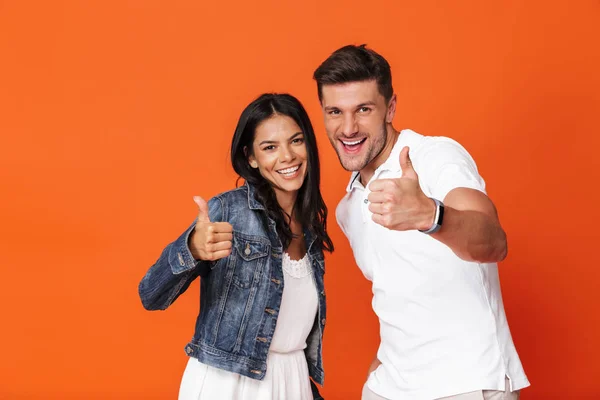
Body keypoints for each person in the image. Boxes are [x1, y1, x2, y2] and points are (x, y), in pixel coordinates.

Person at [312, 45, 530, 400]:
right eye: (335, 111)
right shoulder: (348, 208)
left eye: (363, 110)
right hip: (390, 389)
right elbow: (399, 295)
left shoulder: (434, 156)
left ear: (390, 108)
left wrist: (432, 215)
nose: (348, 128)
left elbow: (494, 242)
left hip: (466, 383)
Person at [138, 93, 333, 400]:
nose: (287, 157)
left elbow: (292, 332)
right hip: (228, 385)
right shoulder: (228, 212)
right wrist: (191, 249)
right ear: (251, 158)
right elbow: (150, 295)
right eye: (270, 147)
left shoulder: (310, 227)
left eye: (296, 141)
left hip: (292, 382)